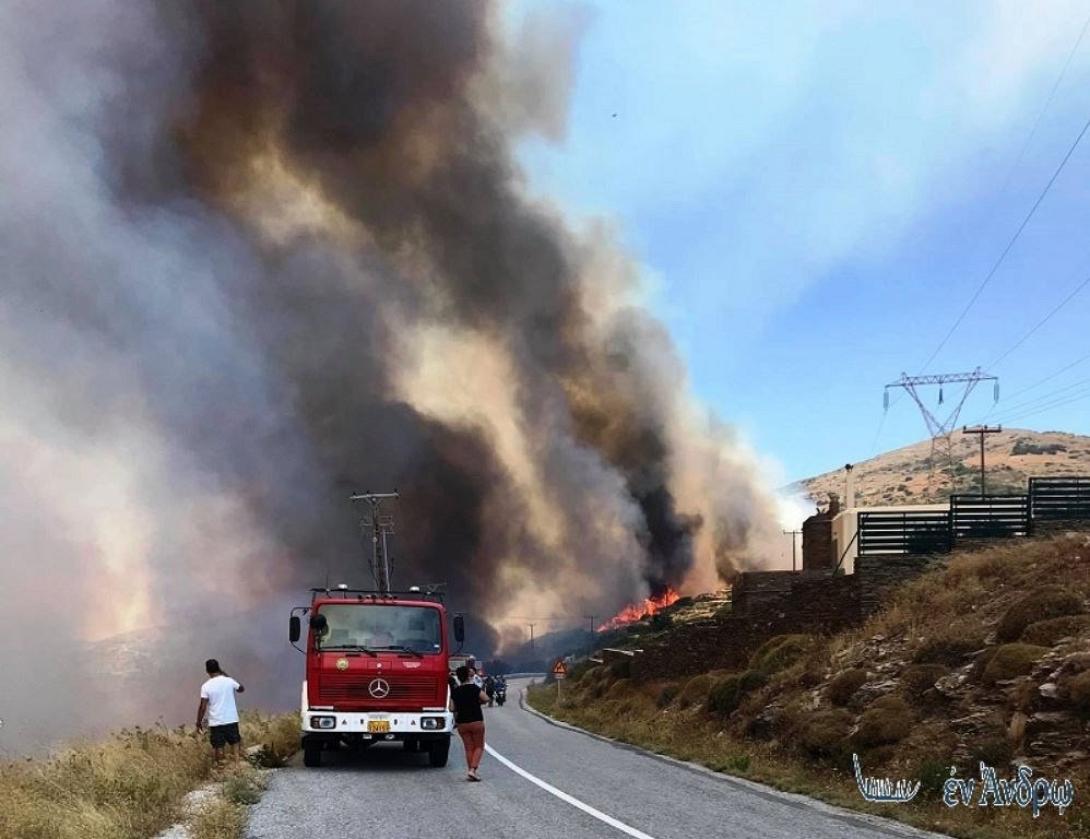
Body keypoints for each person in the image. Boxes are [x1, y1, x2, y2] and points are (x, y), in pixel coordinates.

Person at [196, 659, 245, 768]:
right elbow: (241, 689)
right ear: (219, 668)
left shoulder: (206, 686)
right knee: (235, 742)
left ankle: (221, 769)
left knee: (218, 746)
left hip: (216, 721)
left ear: (207, 671)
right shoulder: (229, 681)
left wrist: (198, 722)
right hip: (231, 718)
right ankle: (237, 766)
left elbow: (203, 706)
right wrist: (225, 674)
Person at [448, 665, 488, 781]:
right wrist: (477, 702)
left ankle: (471, 771)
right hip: (476, 720)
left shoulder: (455, 691)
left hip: (462, 723)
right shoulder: (474, 688)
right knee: (479, 746)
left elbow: (451, 708)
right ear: (469, 675)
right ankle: (473, 770)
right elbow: (486, 698)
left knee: (468, 748)